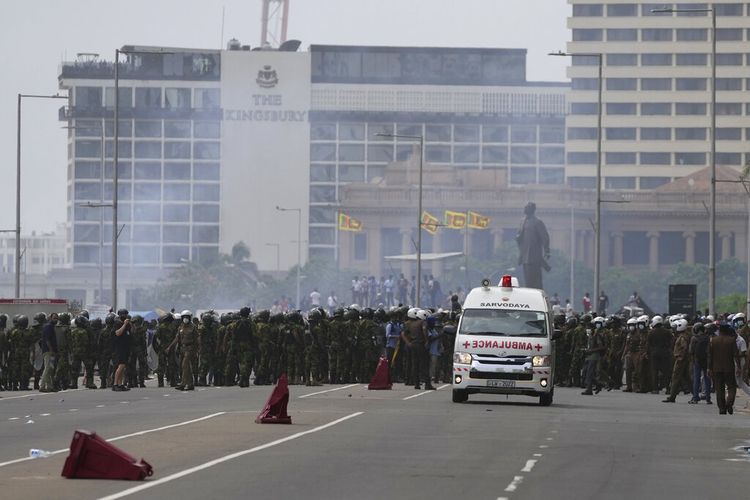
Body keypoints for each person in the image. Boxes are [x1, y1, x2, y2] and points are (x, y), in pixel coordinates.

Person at [516, 201, 550, 290]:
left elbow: (545, 237)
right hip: (525, 255)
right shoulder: (522, 221)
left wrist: (547, 251)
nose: (524, 209)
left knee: (536, 280)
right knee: (528, 281)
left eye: (526, 207)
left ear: (532, 209)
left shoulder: (537, 222)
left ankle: (537, 297)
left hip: (534, 255)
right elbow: (520, 235)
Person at [708, 323, 741, 415]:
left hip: (716, 368)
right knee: (731, 387)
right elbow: (736, 355)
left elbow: (710, 356)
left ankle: (722, 408)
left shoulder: (713, 340)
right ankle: (729, 402)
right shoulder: (731, 340)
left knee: (719, 388)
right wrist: (738, 367)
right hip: (729, 368)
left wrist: (709, 368)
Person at [112, 309, 132, 392]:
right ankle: (115, 384)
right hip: (120, 348)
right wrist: (124, 325)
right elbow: (117, 333)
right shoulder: (117, 323)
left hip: (126, 347)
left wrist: (130, 324)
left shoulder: (127, 324)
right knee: (121, 366)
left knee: (123, 367)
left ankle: (120, 385)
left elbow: (131, 333)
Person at [39, 313, 58, 392]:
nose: (56, 320)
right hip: (48, 351)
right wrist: (51, 349)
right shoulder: (48, 326)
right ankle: (42, 386)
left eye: (57, 318)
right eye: (54, 318)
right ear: (50, 318)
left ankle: (49, 387)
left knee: (50, 369)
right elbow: (47, 340)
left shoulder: (51, 326)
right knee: (47, 368)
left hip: (50, 350)